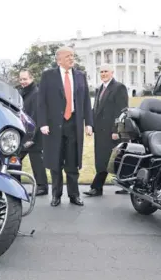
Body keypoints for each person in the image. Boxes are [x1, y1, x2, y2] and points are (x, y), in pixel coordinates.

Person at [38, 46, 93, 207]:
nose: (71, 58)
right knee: (55, 162)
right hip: (54, 126)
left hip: (74, 124)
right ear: (59, 59)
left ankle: (74, 195)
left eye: (72, 55)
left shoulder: (80, 75)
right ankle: (56, 195)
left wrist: (89, 123)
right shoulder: (48, 76)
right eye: (68, 56)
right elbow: (41, 102)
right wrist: (43, 123)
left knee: (72, 162)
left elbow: (86, 101)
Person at [83, 64, 129, 197]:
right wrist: (89, 124)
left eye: (106, 71)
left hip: (112, 132)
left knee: (112, 159)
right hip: (100, 132)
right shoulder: (99, 89)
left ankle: (96, 188)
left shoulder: (119, 88)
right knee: (105, 159)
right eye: (101, 72)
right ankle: (126, 184)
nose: (103, 74)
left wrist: (116, 130)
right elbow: (95, 110)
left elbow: (122, 111)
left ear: (112, 73)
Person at [18, 69, 49, 196]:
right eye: (21, 79)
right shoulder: (24, 93)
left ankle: (42, 187)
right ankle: (16, 183)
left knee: (36, 161)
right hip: (25, 134)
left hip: (33, 135)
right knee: (16, 159)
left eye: (25, 79)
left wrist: (30, 138)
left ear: (31, 79)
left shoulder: (35, 93)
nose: (23, 82)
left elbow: (36, 117)